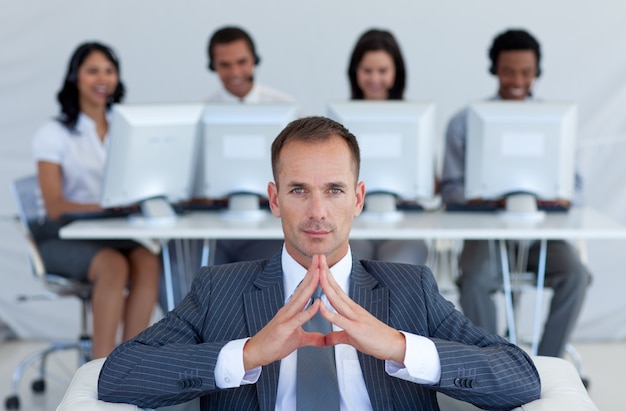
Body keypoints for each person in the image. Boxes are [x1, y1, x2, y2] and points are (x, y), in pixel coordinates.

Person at [98, 116, 540, 410]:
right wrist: (248, 353)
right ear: (274, 199)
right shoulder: (219, 290)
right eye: (298, 191)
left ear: (358, 199)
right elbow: (118, 374)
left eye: (333, 190)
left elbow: (519, 375)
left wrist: (399, 346)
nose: (317, 212)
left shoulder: (410, 289)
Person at [440, 28, 591, 358]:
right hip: (486, 235)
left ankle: (549, 363)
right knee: (475, 281)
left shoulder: (558, 122)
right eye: (509, 70)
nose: (517, 79)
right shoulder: (464, 123)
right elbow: (450, 190)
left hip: (541, 235)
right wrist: (491, 198)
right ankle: (494, 363)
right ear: (494, 69)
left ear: (537, 72)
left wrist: (548, 198)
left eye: (526, 71)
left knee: (576, 275)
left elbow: (576, 190)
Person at [32, 42, 160, 359]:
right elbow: (55, 207)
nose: (102, 78)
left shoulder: (124, 128)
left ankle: (131, 362)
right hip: (61, 234)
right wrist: (106, 207)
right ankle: (99, 369)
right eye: (93, 70)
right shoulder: (54, 133)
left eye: (109, 70)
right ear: (75, 77)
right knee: (113, 266)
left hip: (110, 232)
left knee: (148, 260)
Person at [207, 25, 294, 265]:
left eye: (242, 62)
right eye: (225, 64)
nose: (235, 71)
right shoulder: (202, 112)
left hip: (269, 224)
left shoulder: (284, 108)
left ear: (254, 60)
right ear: (213, 66)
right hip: (216, 225)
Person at [346, 28, 429, 265]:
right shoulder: (339, 121)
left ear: (396, 73)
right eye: (367, 70)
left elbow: (428, 183)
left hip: (402, 226)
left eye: (382, 71)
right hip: (354, 226)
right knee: (349, 269)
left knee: (399, 270)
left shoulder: (416, 120)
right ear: (355, 72)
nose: (374, 79)